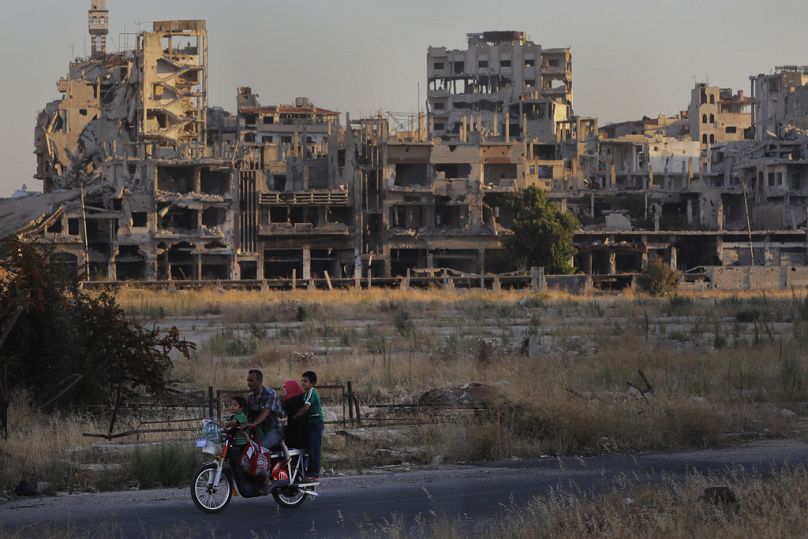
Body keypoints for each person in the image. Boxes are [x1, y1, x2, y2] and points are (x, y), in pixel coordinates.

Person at [245, 369, 286, 450]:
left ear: (259, 381)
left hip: (274, 428)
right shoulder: (251, 397)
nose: (249, 383)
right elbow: (247, 414)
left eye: (251, 380)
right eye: (248, 380)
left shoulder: (270, 393)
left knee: (259, 449)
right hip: (260, 429)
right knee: (248, 449)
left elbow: (266, 412)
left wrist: (253, 423)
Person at [297, 371, 324, 481]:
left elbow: (305, 408)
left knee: (314, 449)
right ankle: (307, 472)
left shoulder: (312, 392)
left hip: (316, 423)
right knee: (308, 448)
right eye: (302, 380)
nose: (302, 383)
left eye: (305, 381)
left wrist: (294, 416)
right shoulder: (304, 393)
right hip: (309, 423)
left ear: (312, 383)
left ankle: (315, 474)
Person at [281, 379, 307, 449]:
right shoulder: (301, 398)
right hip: (301, 434)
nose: (283, 390)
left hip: (297, 435)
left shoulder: (293, 401)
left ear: (290, 388)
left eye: (285, 388)